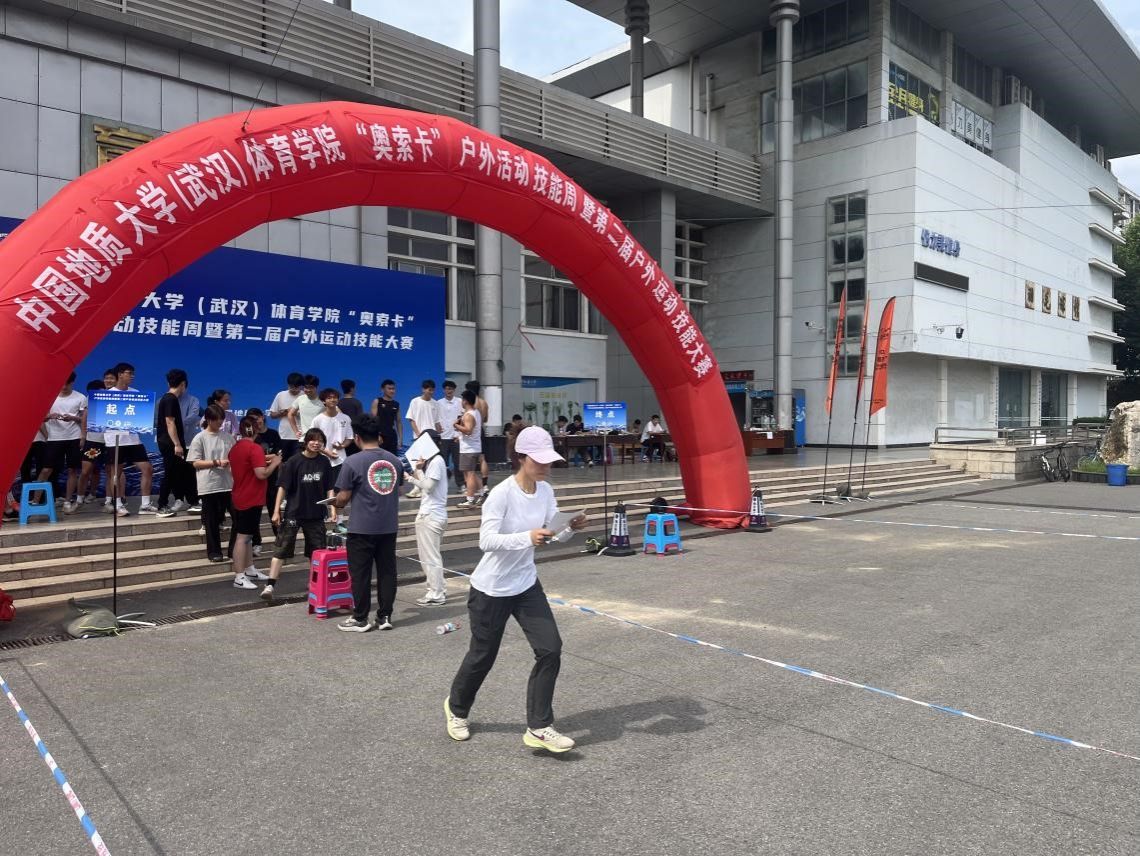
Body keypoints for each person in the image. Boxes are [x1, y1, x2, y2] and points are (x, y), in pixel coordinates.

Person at [444, 426, 587, 752]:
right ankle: (456, 708)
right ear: (521, 457)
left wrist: (569, 527)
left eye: (549, 460)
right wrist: (527, 537)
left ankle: (539, 727)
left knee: (550, 648)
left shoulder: (545, 490)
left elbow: (551, 532)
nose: (546, 466)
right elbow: (486, 541)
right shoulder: (502, 494)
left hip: (525, 584)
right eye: (539, 460)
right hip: (491, 588)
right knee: (483, 655)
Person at [331, 415, 404, 632]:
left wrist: (335, 502)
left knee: (360, 574)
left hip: (361, 527)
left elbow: (343, 497)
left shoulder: (352, 462)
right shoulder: (395, 461)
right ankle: (385, 616)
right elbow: (398, 490)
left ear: (357, 438)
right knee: (387, 572)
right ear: (379, 436)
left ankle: (360, 618)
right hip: (388, 525)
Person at [261, 428, 336, 601]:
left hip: (316, 514)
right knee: (281, 548)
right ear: (306, 441)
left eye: (320, 441)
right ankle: (270, 586)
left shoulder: (324, 462)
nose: (316, 443)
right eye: (313, 439)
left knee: (316, 551)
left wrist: (332, 509)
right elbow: (282, 487)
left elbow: (329, 487)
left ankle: (315, 583)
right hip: (293, 513)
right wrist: (276, 511)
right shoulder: (293, 461)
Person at [228, 416, 281, 590]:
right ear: (256, 430)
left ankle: (249, 569)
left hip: (240, 495)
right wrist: (274, 463)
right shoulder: (255, 448)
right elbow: (261, 474)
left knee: (248, 536)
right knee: (243, 537)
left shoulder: (235, 448)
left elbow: (245, 467)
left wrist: (265, 460)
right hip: (251, 497)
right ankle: (239, 576)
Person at [103, 362, 156, 516]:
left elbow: (141, 417)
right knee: (116, 474)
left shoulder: (135, 393)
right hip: (115, 440)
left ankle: (145, 505)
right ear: (120, 374)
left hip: (133, 440)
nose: (132, 376)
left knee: (147, 468)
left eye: (133, 374)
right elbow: (101, 419)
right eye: (129, 373)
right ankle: (118, 504)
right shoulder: (108, 395)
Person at [187, 404, 236, 564]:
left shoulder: (228, 437)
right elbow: (195, 462)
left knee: (238, 517)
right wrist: (216, 462)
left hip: (229, 483)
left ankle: (234, 549)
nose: (220, 423)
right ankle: (214, 552)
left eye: (221, 419)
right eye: (216, 420)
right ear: (208, 420)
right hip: (209, 485)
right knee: (212, 521)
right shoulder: (200, 438)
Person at [405, 428, 449, 605]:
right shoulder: (434, 461)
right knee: (430, 555)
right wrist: (418, 471)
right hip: (433, 514)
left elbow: (429, 487)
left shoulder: (436, 461)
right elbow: (428, 486)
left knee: (429, 557)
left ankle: (436, 593)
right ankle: (438, 589)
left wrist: (412, 477)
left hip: (431, 515)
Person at [36, 372, 87, 514]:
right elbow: (39, 418)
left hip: (73, 437)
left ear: (72, 383)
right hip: (54, 438)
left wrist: (73, 419)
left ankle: (67, 501)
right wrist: (49, 416)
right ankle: (35, 500)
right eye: (62, 383)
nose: (64, 387)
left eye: (67, 384)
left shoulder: (80, 398)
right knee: (46, 470)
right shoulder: (49, 396)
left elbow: (84, 419)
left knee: (72, 469)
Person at [155, 369, 194, 517]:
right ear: (183, 384)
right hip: (170, 443)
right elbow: (170, 422)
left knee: (181, 471)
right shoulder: (170, 399)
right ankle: (162, 505)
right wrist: (177, 444)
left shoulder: (167, 398)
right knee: (170, 474)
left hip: (168, 442)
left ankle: (192, 501)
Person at [246, 407, 281, 555]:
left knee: (275, 510)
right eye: (252, 420)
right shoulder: (250, 437)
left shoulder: (273, 434)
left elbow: (278, 456)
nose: (256, 421)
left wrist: (262, 458)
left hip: (272, 478)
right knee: (255, 513)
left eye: (258, 418)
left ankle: (280, 541)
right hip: (255, 479)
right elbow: (249, 457)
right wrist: (268, 458)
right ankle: (256, 543)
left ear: (263, 417)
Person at [405, 380, 441, 499]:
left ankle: (425, 487)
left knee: (428, 464)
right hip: (419, 437)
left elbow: (436, 422)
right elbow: (411, 420)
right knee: (417, 463)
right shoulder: (415, 402)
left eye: (432, 390)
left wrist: (439, 432)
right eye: (429, 389)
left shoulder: (435, 403)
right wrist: (419, 435)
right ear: (423, 389)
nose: (431, 392)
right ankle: (416, 488)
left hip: (432, 438)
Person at [77, 379, 108, 506]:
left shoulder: (112, 399)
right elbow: (84, 418)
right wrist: (83, 437)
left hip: (109, 442)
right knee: (85, 471)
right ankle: (79, 498)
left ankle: (93, 494)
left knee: (98, 470)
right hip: (93, 441)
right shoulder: (90, 399)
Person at [311, 388, 353, 469]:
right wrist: (326, 452)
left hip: (341, 459)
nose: (333, 400)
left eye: (335, 397)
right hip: (321, 459)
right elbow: (311, 440)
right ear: (323, 401)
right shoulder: (317, 420)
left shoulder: (346, 418)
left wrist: (342, 446)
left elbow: (349, 437)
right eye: (329, 398)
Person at [455, 390, 483, 508]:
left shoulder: (469, 415)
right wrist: (459, 437)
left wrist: (456, 425)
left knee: (469, 474)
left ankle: (470, 499)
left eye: (462, 399)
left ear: (465, 401)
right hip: (472, 447)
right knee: (471, 473)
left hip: (469, 449)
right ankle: (482, 493)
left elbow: (468, 430)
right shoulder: (476, 412)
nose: (461, 402)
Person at [436, 380, 464, 491]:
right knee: (442, 463)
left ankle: (461, 484)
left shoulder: (459, 402)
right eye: (447, 389)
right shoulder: (438, 403)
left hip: (456, 436)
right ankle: (442, 485)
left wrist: (459, 434)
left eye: (451, 389)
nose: (449, 391)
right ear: (444, 390)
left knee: (458, 462)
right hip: (443, 437)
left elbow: (462, 418)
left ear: (454, 390)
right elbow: (436, 419)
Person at [269, 372, 304, 460]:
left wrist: (297, 413)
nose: (293, 389)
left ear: (301, 386)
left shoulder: (305, 396)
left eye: (296, 387)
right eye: (291, 387)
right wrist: (283, 413)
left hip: (301, 435)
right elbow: (272, 414)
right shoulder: (280, 395)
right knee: (283, 461)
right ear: (288, 385)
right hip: (284, 435)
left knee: (298, 461)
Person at [466, 381, 491, 500]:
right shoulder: (483, 402)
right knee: (482, 458)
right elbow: (485, 419)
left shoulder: (470, 403)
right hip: (481, 430)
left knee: (469, 463)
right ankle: (485, 485)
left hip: (472, 431)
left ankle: (470, 485)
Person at [287, 375, 324, 443]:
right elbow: (290, 414)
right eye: (306, 387)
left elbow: (335, 413)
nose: (308, 390)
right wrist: (296, 431)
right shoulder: (300, 399)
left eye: (311, 387)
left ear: (316, 387)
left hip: (320, 439)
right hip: (304, 439)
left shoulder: (323, 400)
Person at [371, 379, 400, 454]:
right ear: (383, 389)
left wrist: (400, 439)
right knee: (379, 459)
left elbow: (399, 422)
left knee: (392, 459)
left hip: (392, 436)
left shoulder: (396, 404)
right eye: (389, 389)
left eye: (393, 389)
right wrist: (376, 435)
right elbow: (372, 421)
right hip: (380, 436)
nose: (392, 391)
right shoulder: (377, 401)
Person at [338, 379, 364, 456]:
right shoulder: (357, 402)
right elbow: (361, 420)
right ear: (352, 389)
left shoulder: (338, 403)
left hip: (341, 436)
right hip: (354, 437)